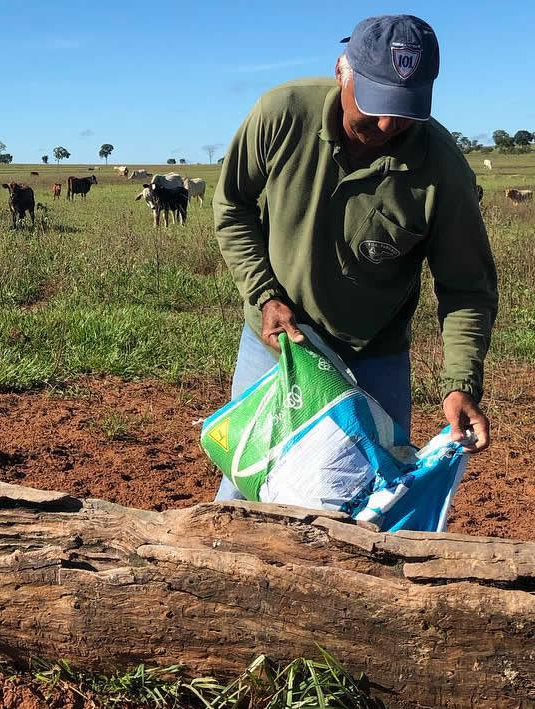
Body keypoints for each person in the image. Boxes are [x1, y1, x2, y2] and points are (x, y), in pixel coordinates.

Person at [212, 15, 498, 501]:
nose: (389, 125)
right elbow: (232, 204)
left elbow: (466, 287)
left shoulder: (442, 170)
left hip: (375, 355)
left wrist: (459, 383)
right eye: (378, 103)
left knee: (373, 494)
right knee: (251, 485)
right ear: (343, 71)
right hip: (280, 345)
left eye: (407, 109)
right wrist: (264, 296)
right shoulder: (282, 115)